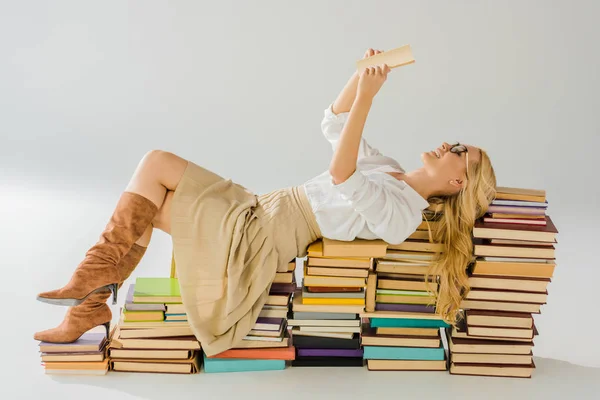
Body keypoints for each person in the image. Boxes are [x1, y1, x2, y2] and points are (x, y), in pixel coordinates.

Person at [33, 49, 496, 357]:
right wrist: (360, 79)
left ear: (458, 182)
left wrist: (368, 102)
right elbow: (333, 125)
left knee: (153, 178)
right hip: (256, 205)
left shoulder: (402, 213)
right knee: (152, 177)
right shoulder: (390, 168)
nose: (447, 144)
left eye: (459, 151)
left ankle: (86, 299)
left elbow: (342, 172)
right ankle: (88, 301)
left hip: (259, 237)